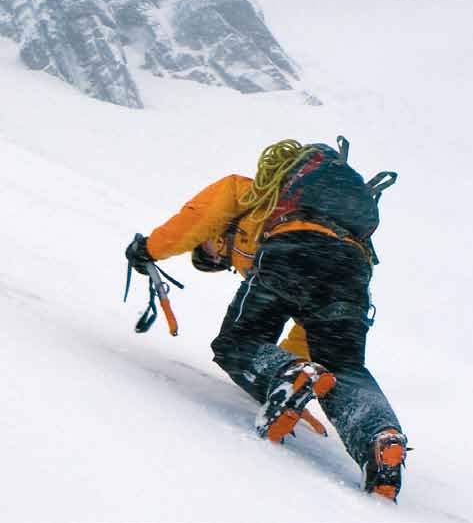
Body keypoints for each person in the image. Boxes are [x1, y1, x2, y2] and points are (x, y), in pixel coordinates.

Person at [125, 137, 407, 500]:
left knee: (235, 343)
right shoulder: (302, 210)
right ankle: (379, 440)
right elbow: (308, 346)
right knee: (344, 367)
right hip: (352, 269)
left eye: (210, 250)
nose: (218, 255)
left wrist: (147, 249)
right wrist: (297, 372)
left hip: (294, 248)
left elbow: (196, 219)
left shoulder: (244, 192)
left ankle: (291, 377)